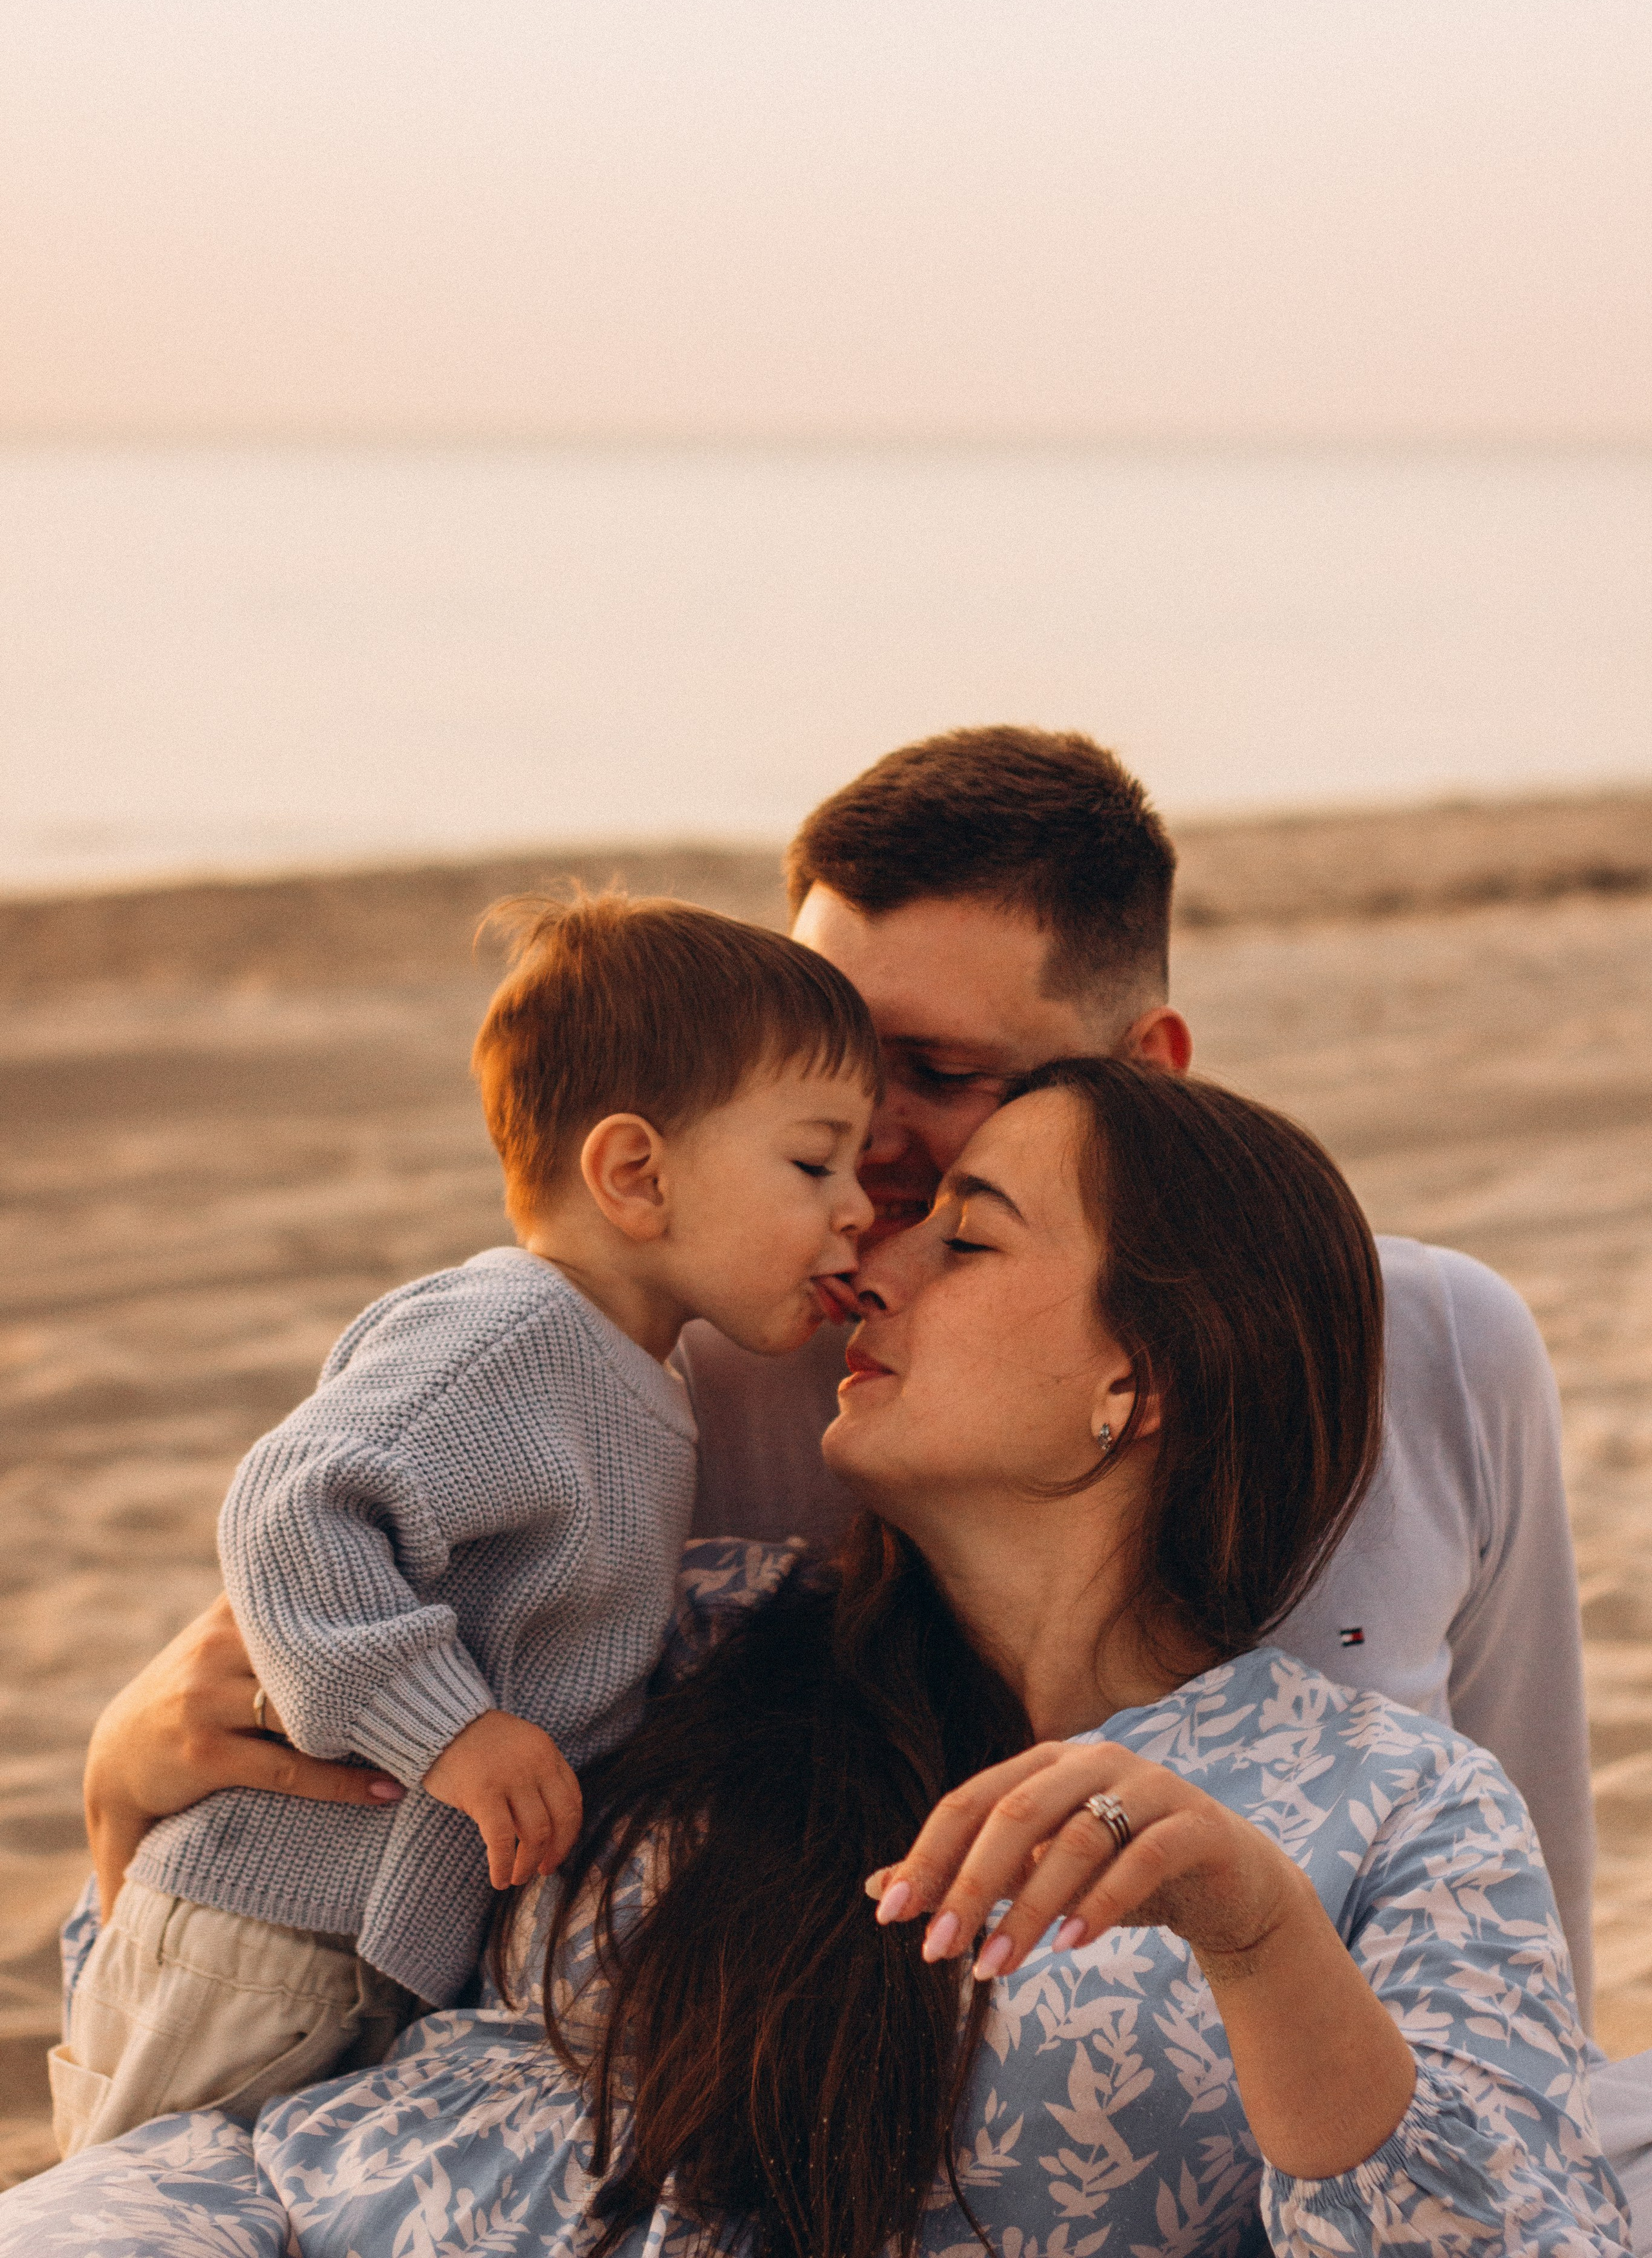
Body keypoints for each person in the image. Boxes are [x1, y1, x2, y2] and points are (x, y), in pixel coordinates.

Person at [76, 726, 1597, 2006]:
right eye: (825, 1065)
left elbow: (1524, 1864)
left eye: (936, 1073)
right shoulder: (687, 1368)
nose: (862, 1142)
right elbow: (338, 1596)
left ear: (1148, 1071)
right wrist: (130, 1754)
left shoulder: (1436, 1348)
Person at [5, 1062, 1628, 2256]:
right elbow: (260, 1926)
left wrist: (1255, 1934)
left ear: (1134, 1380)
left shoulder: (1392, 1809)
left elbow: (1494, 2238)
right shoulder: (685, 1623)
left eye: (964, 1242)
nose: (874, 1268)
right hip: (241, 2215)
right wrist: (124, 1786)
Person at [48, 892, 878, 2155]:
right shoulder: (510, 1334)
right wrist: (449, 1727)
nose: (857, 1205)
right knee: (136, 2197)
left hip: (371, 1944)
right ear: (636, 1175)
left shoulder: (632, 1371)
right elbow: (294, 1502)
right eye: (816, 1164)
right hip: (268, 1928)